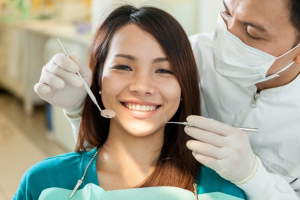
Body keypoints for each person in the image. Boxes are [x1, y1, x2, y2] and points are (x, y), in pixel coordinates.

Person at [33, 0, 300, 200]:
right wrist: (81, 109)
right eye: (226, 13)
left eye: (252, 31)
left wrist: (254, 178)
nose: (228, 35)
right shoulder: (192, 54)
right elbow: (113, 141)